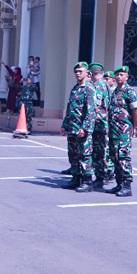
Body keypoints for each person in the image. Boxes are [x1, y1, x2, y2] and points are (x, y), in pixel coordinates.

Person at [60, 62, 96, 192]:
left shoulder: (89, 89)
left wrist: (84, 128)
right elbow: (70, 108)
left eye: (80, 71)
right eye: (76, 71)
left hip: (82, 129)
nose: (78, 73)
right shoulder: (75, 89)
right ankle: (75, 179)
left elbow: (91, 111)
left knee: (84, 155)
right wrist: (64, 124)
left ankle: (87, 182)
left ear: (87, 73)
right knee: (73, 154)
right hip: (72, 128)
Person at [107, 65, 137, 197]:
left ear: (127, 77)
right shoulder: (115, 92)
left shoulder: (129, 91)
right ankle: (119, 183)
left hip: (124, 130)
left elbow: (136, 111)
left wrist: (134, 127)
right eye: (117, 74)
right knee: (114, 156)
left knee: (123, 157)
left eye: (121, 75)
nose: (118, 77)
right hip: (113, 129)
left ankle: (127, 186)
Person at [87, 63, 113, 189]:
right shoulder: (107, 85)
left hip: (98, 124)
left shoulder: (97, 86)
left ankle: (100, 178)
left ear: (91, 74)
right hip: (106, 122)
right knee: (104, 151)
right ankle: (105, 175)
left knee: (98, 152)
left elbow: (95, 106)